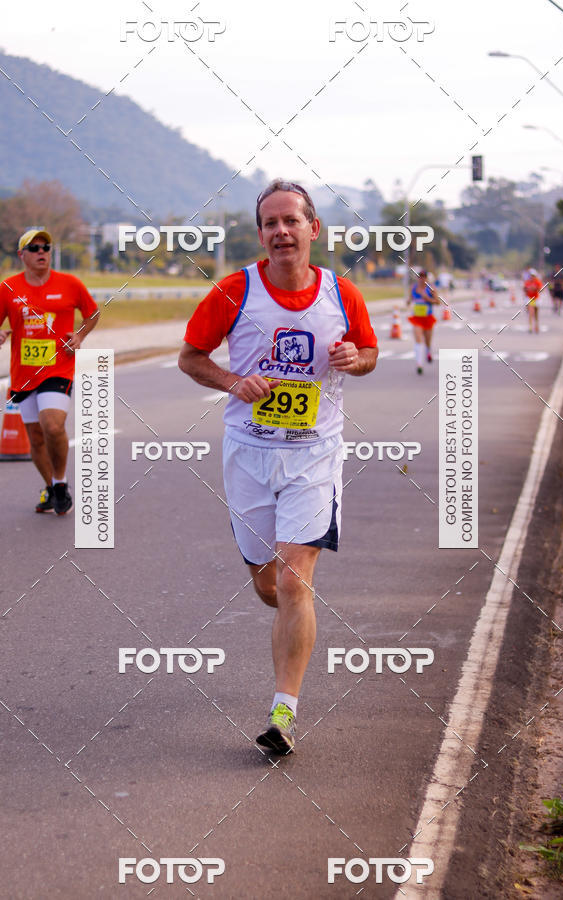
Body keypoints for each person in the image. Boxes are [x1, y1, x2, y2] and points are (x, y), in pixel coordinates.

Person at [178, 180, 378, 754]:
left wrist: (355, 358)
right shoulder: (234, 290)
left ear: (314, 229)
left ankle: (282, 713)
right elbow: (190, 357)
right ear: (261, 234)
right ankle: (291, 607)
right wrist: (233, 381)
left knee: (294, 580)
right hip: (249, 455)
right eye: (271, 223)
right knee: (268, 585)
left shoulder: (342, 294)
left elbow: (368, 353)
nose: (282, 231)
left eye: (292, 220)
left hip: (314, 454)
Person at [0, 228, 99, 515]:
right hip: (24, 374)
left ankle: (59, 482)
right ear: (22, 255)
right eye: (34, 248)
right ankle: (52, 488)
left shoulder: (70, 283)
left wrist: (79, 336)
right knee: (35, 437)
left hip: (59, 368)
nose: (41, 252)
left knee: (53, 426)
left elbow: (92, 313)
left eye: (45, 247)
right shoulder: (8, 288)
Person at [407, 269, 440, 374]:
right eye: (420, 276)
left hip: (428, 318)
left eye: (423, 277)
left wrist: (428, 299)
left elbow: (438, 302)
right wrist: (408, 301)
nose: (421, 279)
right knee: (418, 339)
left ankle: (428, 351)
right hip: (417, 318)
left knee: (427, 341)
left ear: (426, 278)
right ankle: (419, 364)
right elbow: (410, 299)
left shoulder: (431, 289)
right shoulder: (413, 288)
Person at [523, 268, 543, 333]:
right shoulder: (527, 282)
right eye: (531, 276)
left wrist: (536, 288)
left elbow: (541, 289)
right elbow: (524, 289)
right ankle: (530, 327)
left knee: (536, 314)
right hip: (530, 299)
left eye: (533, 276)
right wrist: (527, 289)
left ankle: (536, 325)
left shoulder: (538, 282)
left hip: (536, 298)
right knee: (531, 313)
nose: (532, 277)